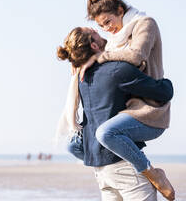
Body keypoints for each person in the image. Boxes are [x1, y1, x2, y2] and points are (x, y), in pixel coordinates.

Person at [57, 27, 175, 200]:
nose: (99, 31)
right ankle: (152, 172)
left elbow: (73, 146)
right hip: (127, 169)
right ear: (94, 45)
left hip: (102, 174)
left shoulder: (81, 78)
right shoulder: (117, 70)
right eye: (94, 32)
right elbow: (164, 92)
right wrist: (165, 81)